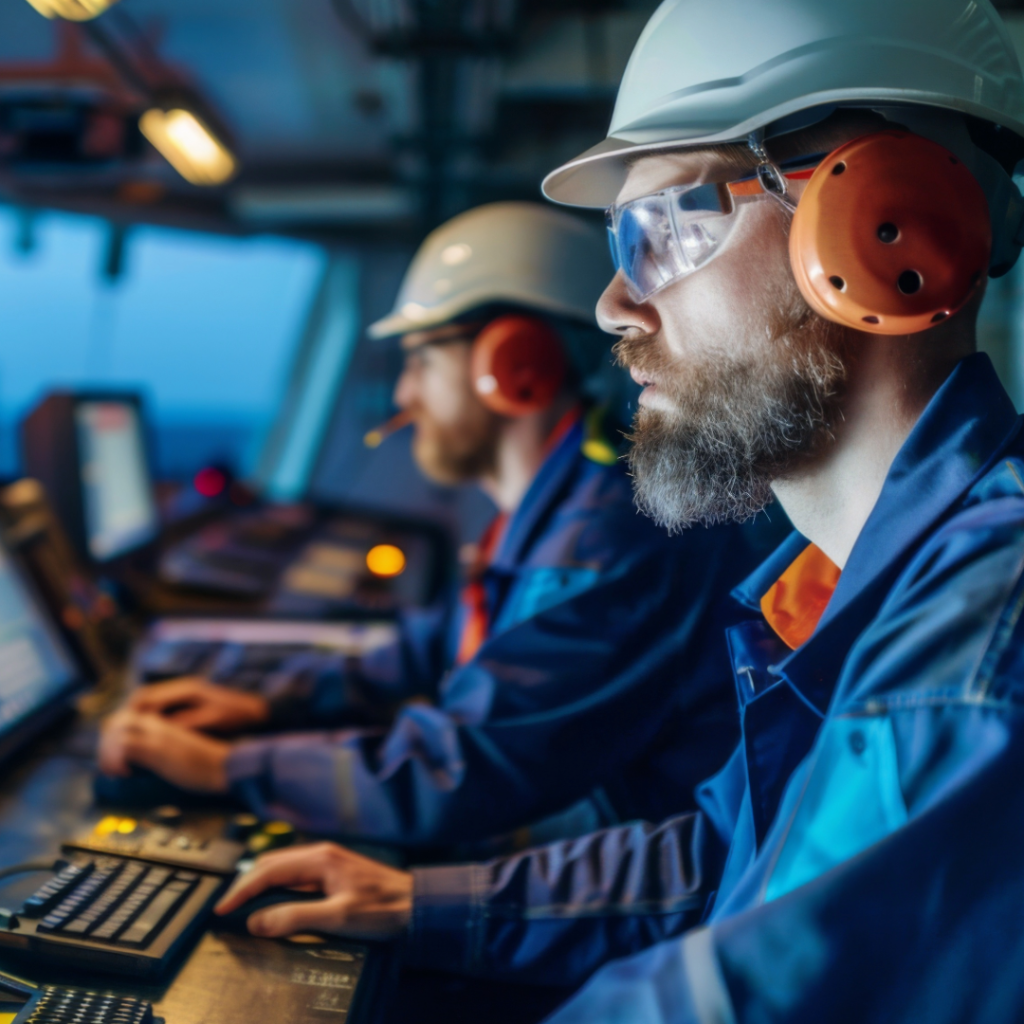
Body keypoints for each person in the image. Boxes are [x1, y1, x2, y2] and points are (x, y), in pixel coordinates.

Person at [213, 1, 1024, 1019]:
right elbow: (734, 855)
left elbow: (737, 996)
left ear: (888, 225)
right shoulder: (848, 585)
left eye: (666, 227)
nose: (612, 306)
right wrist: (423, 901)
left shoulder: (977, 649)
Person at [99, 201, 768, 848]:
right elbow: (440, 642)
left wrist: (227, 769)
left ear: (513, 365)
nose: (402, 395)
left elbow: (463, 769)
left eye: (420, 359)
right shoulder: (561, 502)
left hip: (624, 864)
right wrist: (269, 702)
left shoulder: (608, 534)